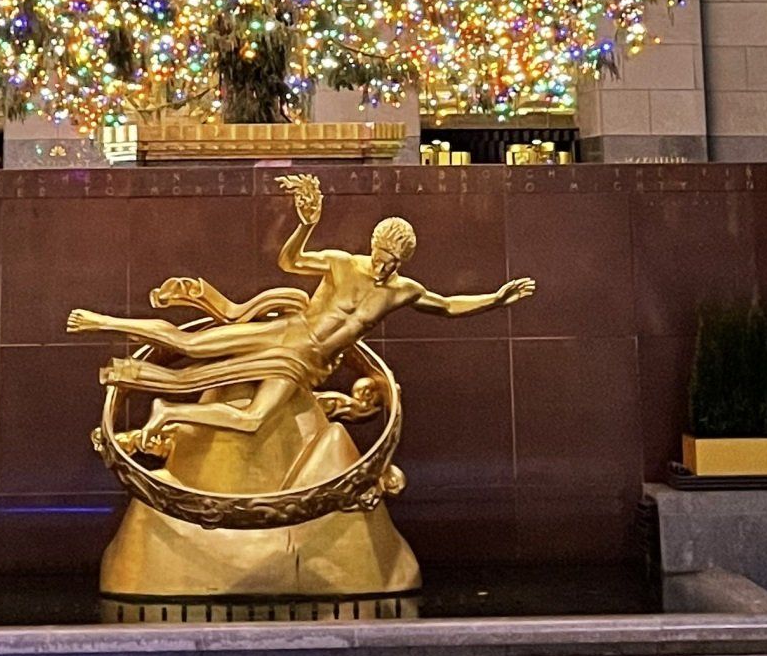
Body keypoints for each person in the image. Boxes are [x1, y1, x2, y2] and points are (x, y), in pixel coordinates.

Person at [69, 172, 534, 455]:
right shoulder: (341, 263)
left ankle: (168, 411)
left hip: (306, 364)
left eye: (394, 261)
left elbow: (449, 306)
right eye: (381, 254)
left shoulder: (401, 291)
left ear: (403, 262)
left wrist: (496, 298)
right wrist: (305, 225)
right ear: (373, 245)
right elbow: (290, 263)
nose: (384, 264)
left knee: (253, 421)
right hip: (288, 333)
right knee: (189, 344)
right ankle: (103, 321)